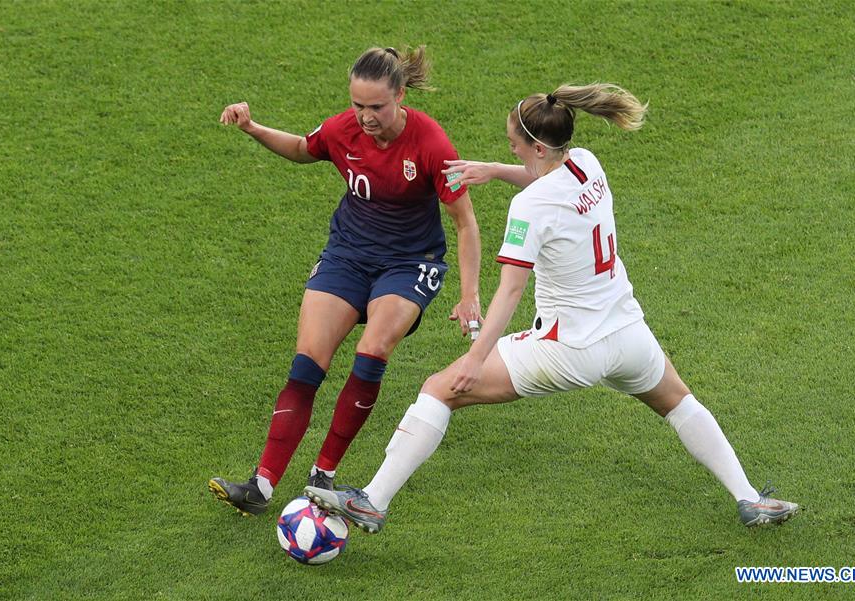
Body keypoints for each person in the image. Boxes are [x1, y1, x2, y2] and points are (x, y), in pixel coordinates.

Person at [305, 83, 799, 532]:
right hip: (627, 334)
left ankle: (372, 499)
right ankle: (749, 497)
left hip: (566, 348)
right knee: (679, 402)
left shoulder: (529, 209)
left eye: (514, 146)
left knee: (439, 389)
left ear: (537, 148)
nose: (511, 150)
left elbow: (510, 291)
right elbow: (546, 181)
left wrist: (476, 358)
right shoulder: (586, 163)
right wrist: (494, 171)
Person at [208, 46, 482, 516]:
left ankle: (323, 474)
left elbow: (465, 222)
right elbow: (303, 149)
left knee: (371, 353)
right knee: (306, 366)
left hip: (409, 263)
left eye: (376, 106)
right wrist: (252, 127)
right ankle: (261, 486)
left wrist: (469, 294)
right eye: (358, 105)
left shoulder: (431, 143)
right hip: (347, 255)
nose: (366, 117)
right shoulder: (342, 129)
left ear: (400, 95)